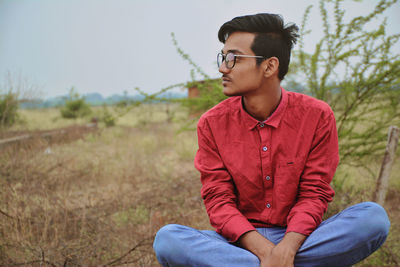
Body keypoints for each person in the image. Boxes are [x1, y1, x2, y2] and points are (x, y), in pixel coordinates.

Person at [153, 13, 390, 267]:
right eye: (223, 57)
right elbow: (218, 200)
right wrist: (266, 253)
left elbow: (314, 193)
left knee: (372, 219)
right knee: (168, 240)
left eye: (233, 58)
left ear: (269, 66)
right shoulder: (212, 124)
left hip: (302, 238)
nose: (223, 67)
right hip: (239, 242)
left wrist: (286, 248)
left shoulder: (317, 116)